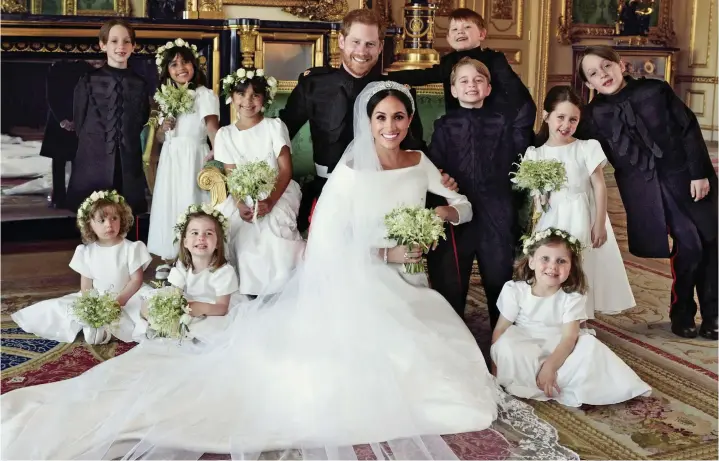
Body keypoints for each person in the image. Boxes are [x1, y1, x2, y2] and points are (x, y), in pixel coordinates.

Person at [0, 82, 575, 461]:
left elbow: (464, 206)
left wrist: (448, 210)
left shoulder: (420, 161)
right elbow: (330, 242)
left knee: (451, 364)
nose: (393, 125)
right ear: (369, 120)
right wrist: (385, 255)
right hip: (363, 278)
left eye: (400, 116)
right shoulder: (350, 174)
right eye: (383, 117)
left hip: (410, 277)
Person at [577, 45, 717, 340]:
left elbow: (688, 127)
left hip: (687, 177)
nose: (603, 74)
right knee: (689, 245)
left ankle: (713, 315)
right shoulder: (592, 115)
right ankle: (682, 311)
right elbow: (576, 148)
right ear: (588, 84)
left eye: (606, 66)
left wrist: (700, 172)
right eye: (593, 73)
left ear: (621, 65)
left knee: (711, 242)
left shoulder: (655, 90)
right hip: (647, 191)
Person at [279, 8, 454, 232]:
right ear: (341, 41)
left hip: (385, 189)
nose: (362, 51)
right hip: (330, 188)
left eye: (370, 44)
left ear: (380, 47)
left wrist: (438, 175)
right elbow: (281, 132)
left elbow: (414, 146)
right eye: (356, 42)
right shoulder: (313, 85)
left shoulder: (394, 90)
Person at [491, 228, 652, 407]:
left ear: (571, 267)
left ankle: (552, 379)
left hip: (560, 347)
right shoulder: (515, 290)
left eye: (561, 261)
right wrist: (495, 368)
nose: (553, 266)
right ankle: (531, 380)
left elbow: (569, 338)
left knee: (590, 346)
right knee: (506, 345)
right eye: (545, 258)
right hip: (525, 345)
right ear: (531, 262)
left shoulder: (572, 297)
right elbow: (501, 330)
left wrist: (551, 366)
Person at [525, 86, 634, 321]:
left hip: (582, 215)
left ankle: (579, 320)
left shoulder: (586, 147)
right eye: (560, 117)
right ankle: (555, 315)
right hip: (551, 218)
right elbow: (536, 195)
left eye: (573, 119)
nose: (566, 125)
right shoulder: (535, 154)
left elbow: (599, 186)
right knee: (553, 265)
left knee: (581, 265)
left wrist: (599, 224)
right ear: (546, 116)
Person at [426, 58, 518, 327]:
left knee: (499, 277)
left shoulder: (503, 124)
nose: (471, 85)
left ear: (488, 88)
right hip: (458, 212)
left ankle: (502, 340)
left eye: (478, 80)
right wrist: (441, 175)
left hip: (495, 211)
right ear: (453, 89)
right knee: (451, 280)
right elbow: (434, 165)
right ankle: (452, 336)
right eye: (464, 81)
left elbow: (513, 164)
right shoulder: (443, 126)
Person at [11, 190, 152, 345]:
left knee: (146, 310)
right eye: (102, 220)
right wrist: (91, 305)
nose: (109, 224)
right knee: (61, 309)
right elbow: (86, 285)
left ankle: (111, 329)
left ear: (122, 219)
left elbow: (136, 280)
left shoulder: (131, 248)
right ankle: (100, 327)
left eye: (114, 218)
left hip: (128, 297)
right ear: (89, 224)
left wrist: (119, 301)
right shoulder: (86, 252)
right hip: (99, 298)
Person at [389, 7, 536, 151]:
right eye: (454, 29)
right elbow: (422, 76)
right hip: (459, 128)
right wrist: (385, 77)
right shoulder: (448, 62)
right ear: (448, 38)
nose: (460, 31)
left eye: (467, 27)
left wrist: (511, 129)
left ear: (482, 34)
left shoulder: (494, 59)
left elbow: (517, 94)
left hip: (493, 127)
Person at [214, 68, 305, 295]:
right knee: (240, 230)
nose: (248, 101)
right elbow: (232, 175)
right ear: (232, 97)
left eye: (255, 95)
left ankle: (281, 286)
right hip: (242, 195)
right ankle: (247, 288)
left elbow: (285, 170)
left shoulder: (274, 126)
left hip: (277, 191)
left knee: (272, 231)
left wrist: (271, 201)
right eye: (241, 94)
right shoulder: (224, 134)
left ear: (265, 98)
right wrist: (239, 203)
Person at [147, 38, 220, 276]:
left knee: (191, 201)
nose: (181, 68)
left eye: (185, 62)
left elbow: (212, 129)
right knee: (170, 203)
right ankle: (170, 256)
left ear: (194, 66)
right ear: (167, 70)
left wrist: (216, 153)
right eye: (174, 64)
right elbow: (159, 138)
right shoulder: (165, 97)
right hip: (171, 158)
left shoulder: (203, 94)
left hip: (193, 156)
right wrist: (163, 128)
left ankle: (193, 257)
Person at [65, 19, 150, 214]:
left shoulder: (140, 84)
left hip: (128, 161)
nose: (121, 46)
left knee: (126, 215)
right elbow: (79, 120)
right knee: (93, 215)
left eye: (127, 41)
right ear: (103, 45)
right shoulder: (87, 81)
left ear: (134, 46)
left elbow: (141, 119)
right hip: (93, 159)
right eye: (114, 41)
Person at [139, 204, 239, 343]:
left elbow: (222, 308)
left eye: (209, 233)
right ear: (185, 242)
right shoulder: (183, 266)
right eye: (195, 233)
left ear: (217, 243)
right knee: (148, 305)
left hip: (211, 309)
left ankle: (182, 334)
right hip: (188, 304)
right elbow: (174, 293)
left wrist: (198, 308)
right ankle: (159, 326)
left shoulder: (223, 272)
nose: (201, 238)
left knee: (205, 328)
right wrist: (171, 309)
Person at [40, 59, 93, 208]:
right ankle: (58, 196)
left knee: (79, 161)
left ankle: (76, 196)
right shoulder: (57, 67)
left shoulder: (85, 68)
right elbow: (51, 95)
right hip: (58, 120)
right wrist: (62, 119)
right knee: (58, 161)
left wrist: (79, 119)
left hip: (81, 120)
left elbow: (89, 95)